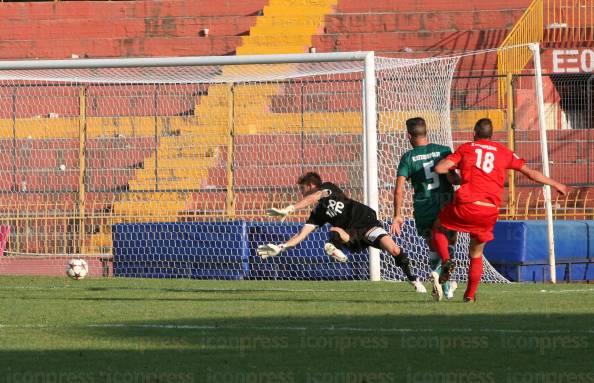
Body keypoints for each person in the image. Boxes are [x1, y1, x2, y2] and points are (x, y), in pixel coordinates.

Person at [432, 118, 569, 302]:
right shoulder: (504, 152)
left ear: (474, 133)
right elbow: (531, 173)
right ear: (492, 135)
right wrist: (556, 183)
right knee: (476, 253)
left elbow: (440, 168)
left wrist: (452, 172)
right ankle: (470, 296)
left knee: (439, 227)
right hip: (489, 211)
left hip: (466, 205)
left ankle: (447, 260)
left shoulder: (467, 148)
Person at [258, 171, 427, 293]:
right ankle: (334, 248)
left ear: (310, 185)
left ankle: (413, 280)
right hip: (350, 235)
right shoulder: (318, 213)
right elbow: (301, 235)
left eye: (302, 189)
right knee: (334, 230)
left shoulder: (327, 187)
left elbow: (314, 196)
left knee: (395, 250)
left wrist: (291, 208)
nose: (301, 193)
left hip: (367, 224)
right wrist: (281, 247)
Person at [391, 117, 459, 301]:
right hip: (445, 203)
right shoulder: (444, 150)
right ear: (426, 131)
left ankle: (442, 284)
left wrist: (397, 215)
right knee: (449, 243)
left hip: (423, 208)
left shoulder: (408, 158)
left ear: (409, 136)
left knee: (433, 246)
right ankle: (442, 279)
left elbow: (399, 190)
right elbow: (454, 178)